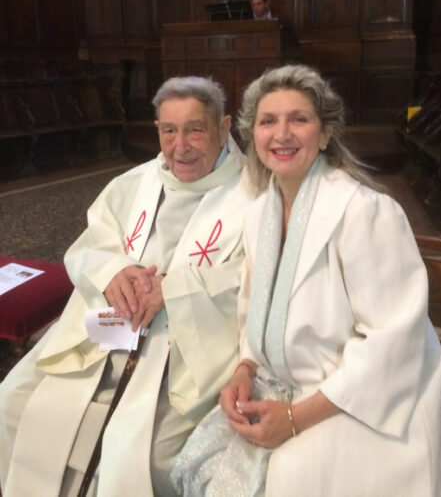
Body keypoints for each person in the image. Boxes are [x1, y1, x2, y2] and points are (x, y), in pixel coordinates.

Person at [171, 64, 441, 496]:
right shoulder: (259, 212)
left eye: (298, 119)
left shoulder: (365, 212)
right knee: (195, 466)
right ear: (252, 135)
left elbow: (393, 343)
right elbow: (252, 307)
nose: (281, 134)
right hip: (278, 387)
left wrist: (297, 417)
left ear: (324, 134)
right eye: (268, 121)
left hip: (354, 402)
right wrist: (245, 367)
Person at [0, 76, 254, 497]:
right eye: (169, 131)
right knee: (12, 401)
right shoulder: (134, 183)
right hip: (107, 326)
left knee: (133, 450)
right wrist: (114, 271)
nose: (180, 146)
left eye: (195, 129)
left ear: (224, 128)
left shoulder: (254, 195)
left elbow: (253, 276)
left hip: (185, 346)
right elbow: (90, 246)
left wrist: (174, 289)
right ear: (157, 129)